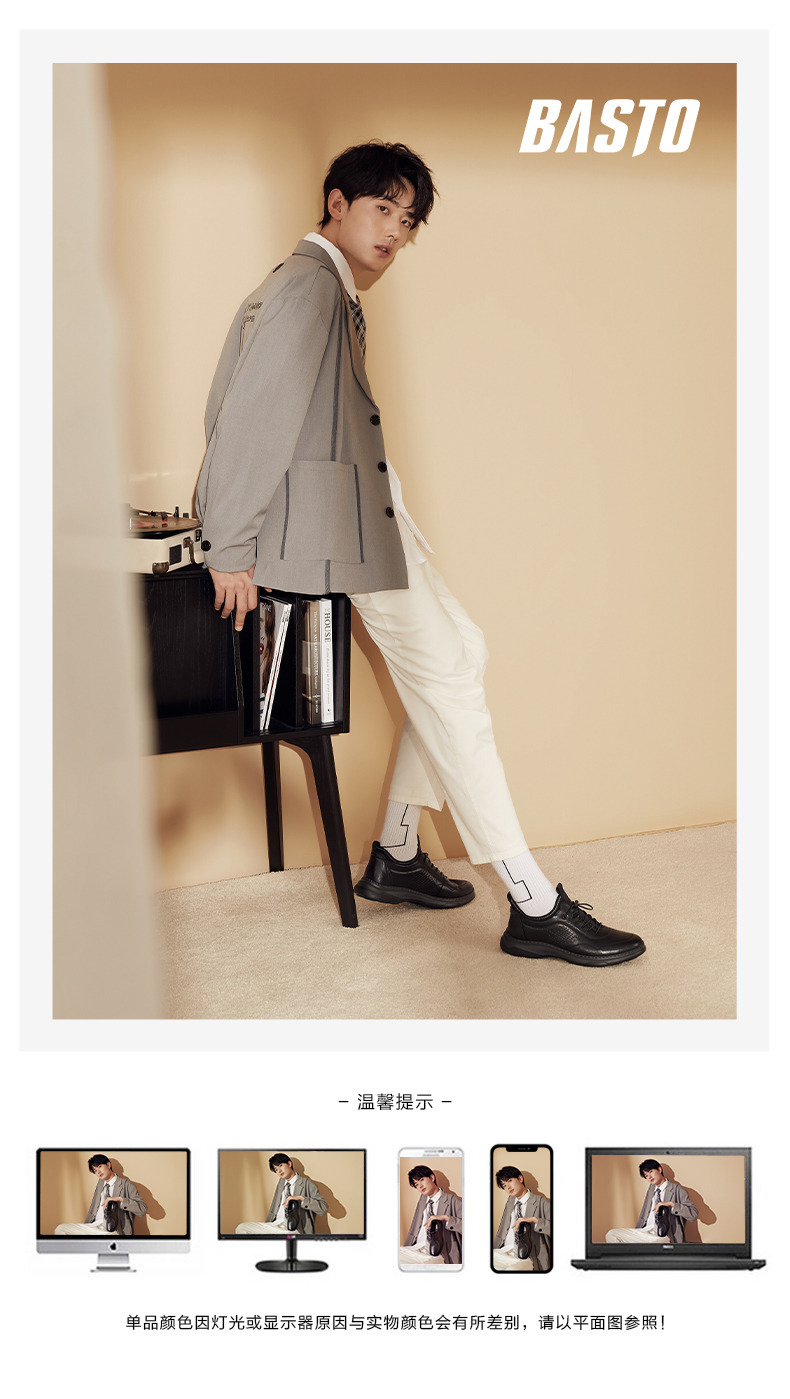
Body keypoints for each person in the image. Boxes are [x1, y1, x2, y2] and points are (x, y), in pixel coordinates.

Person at [195, 140, 646, 966]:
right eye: (382, 210)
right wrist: (229, 545)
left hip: (371, 518)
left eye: (407, 222)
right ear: (336, 202)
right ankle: (532, 900)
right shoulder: (307, 287)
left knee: (464, 651)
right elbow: (250, 419)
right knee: (450, 683)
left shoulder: (321, 287)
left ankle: (398, 852)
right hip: (339, 529)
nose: (394, 233)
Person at [605, 1158, 698, 1245]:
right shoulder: (651, 1190)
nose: (649, 1177)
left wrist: (671, 1204)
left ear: (659, 1170)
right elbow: (644, 1215)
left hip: (664, 1236)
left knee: (658, 1243)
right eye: (646, 1175)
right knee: (611, 1234)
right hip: (645, 1232)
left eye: (650, 1172)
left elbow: (693, 1214)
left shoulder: (677, 1190)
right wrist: (637, 1231)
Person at [54, 1153, 147, 1237]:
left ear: (108, 1165)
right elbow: (92, 1210)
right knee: (60, 1229)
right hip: (93, 1227)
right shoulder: (100, 1185)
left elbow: (142, 1210)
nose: (98, 1172)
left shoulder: (126, 1185)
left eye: (99, 1166)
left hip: (112, 1230)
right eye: (95, 1170)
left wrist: (120, 1199)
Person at [235, 1153, 328, 1235]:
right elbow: (273, 1208)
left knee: (287, 1237)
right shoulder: (281, 1183)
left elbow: (323, 1208)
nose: (279, 1171)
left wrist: (301, 1198)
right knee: (241, 1228)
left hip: (294, 1229)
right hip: (274, 1225)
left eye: (280, 1165)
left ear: (289, 1164)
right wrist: (266, 1225)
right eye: (276, 1169)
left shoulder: (306, 1183)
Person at [400, 1165, 462, 1266]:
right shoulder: (422, 1200)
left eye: (421, 1180)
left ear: (432, 1178)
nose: (420, 1186)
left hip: (439, 1252)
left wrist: (446, 1218)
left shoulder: (452, 1200)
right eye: (416, 1184)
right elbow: (414, 1228)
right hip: (415, 1248)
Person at [492, 1164, 551, 1271]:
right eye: (504, 1185)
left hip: (528, 1256)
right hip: (503, 1251)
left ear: (520, 1179)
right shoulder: (510, 1202)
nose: (508, 1187)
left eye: (509, 1181)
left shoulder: (541, 1202)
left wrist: (535, 1220)